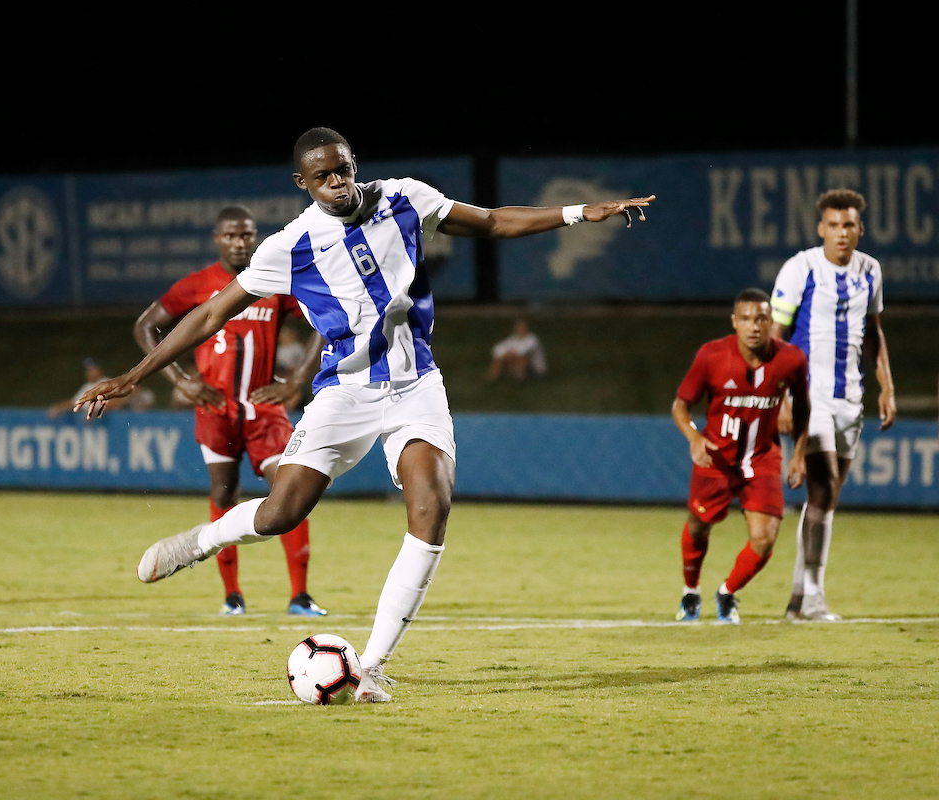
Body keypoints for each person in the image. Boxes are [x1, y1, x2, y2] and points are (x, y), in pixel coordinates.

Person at [76, 127, 654, 701]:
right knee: (283, 513)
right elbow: (207, 318)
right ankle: (202, 541)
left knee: (432, 505)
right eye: (323, 176)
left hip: (415, 385)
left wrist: (583, 212)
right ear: (303, 184)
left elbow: (495, 222)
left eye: (344, 168)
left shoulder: (406, 197)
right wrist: (130, 378)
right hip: (344, 392)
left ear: (355, 165)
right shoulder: (290, 245)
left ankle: (370, 668)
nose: (338, 183)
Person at [134, 206, 328, 617]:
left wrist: (296, 381)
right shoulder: (198, 284)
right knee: (223, 493)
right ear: (217, 239)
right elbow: (145, 326)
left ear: (255, 237)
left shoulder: (271, 278)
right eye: (232, 236)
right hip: (216, 409)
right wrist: (181, 380)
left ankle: (300, 595)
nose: (240, 242)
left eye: (247, 235)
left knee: (290, 489)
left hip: (263, 407)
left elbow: (322, 319)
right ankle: (232, 597)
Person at [771, 189, 895, 622]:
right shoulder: (800, 268)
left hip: (851, 399)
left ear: (860, 229)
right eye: (834, 225)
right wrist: (782, 396)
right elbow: (776, 338)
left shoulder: (870, 270)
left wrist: (887, 386)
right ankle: (815, 599)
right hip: (810, 397)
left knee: (827, 500)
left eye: (850, 225)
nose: (842, 233)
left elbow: (874, 332)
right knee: (821, 493)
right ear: (820, 228)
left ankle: (797, 598)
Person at [671, 289, 810, 624]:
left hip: (761, 460)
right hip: (715, 459)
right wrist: (694, 438)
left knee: (764, 539)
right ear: (734, 322)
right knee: (698, 526)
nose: (753, 326)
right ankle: (691, 591)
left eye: (761, 318)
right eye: (745, 318)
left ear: (771, 322)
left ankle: (727, 593)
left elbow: (805, 409)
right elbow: (680, 406)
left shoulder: (791, 359)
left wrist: (800, 455)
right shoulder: (712, 356)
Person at [49, 358, 154, 418]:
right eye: (88, 370)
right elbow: (74, 402)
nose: (89, 372)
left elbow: (119, 402)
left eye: (92, 369)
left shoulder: (106, 383)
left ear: (99, 370)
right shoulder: (86, 387)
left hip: (113, 422)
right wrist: (58, 407)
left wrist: (95, 411)